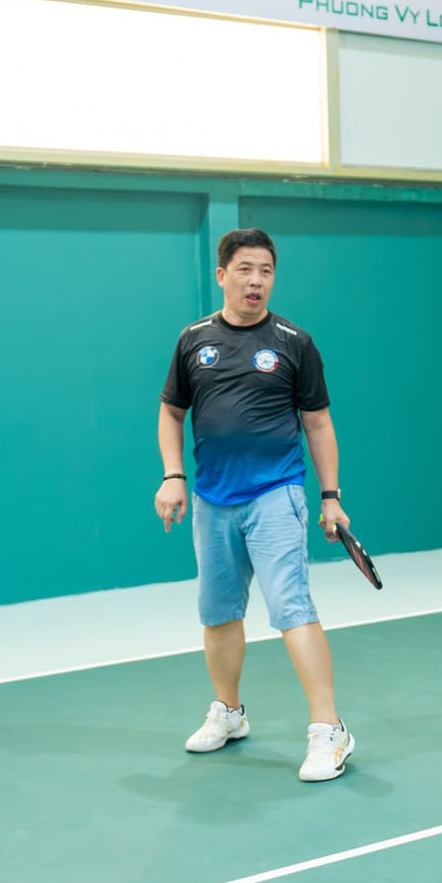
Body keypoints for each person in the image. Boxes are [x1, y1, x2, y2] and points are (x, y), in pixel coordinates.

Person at [155, 228, 357, 783]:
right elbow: (171, 411)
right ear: (222, 275)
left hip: (276, 494)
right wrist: (173, 475)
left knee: (292, 608)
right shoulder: (193, 340)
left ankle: (329, 730)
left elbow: (318, 423)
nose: (256, 280)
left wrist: (331, 496)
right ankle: (229, 711)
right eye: (245, 269)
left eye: (266, 270)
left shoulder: (294, 342)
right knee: (218, 612)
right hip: (212, 498)